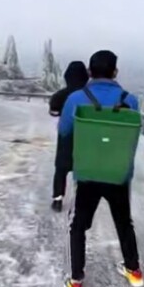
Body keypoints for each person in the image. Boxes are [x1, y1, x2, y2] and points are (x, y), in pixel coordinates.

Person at [57, 50, 142, 287]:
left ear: (90, 73)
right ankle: (134, 271)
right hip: (118, 173)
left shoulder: (76, 98)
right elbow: (134, 134)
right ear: (115, 72)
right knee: (124, 222)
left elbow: (63, 131)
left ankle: (75, 283)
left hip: (88, 172)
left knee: (78, 226)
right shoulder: (131, 99)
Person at [47, 61, 90, 212]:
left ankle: (57, 199)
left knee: (61, 168)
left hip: (66, 136)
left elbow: (53, 111)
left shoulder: (61, 95)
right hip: (86, 137)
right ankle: (82, 200)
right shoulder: (90, 95)